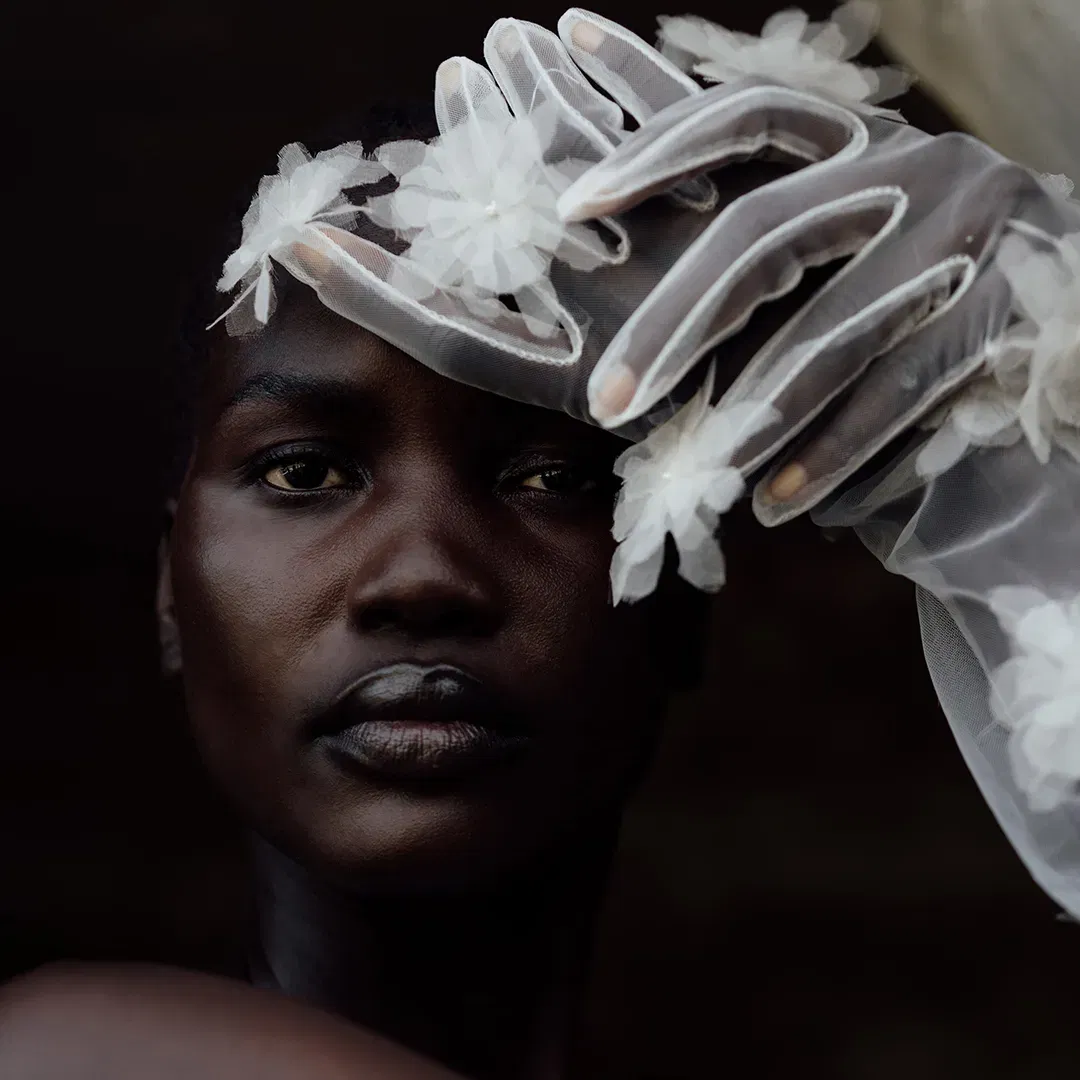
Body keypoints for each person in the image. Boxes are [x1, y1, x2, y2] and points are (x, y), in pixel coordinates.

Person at [3, 4, 1079, 1078]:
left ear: (685, 600)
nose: (423, 576)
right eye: (304, 472)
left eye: (553, 478)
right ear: (167, 588)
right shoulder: (52, 1049)